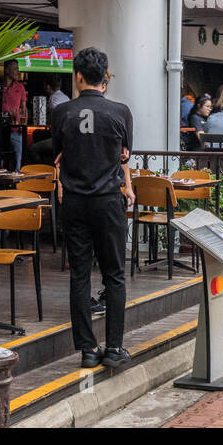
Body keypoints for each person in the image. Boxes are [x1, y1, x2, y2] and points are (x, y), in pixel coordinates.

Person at [51, 47, 135, 371]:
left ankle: (87, 349)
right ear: (105, 77)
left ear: (78, 77)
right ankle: (114, 347)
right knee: (114, 274)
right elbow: (125, 154)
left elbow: (58, 156)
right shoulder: (120, 112)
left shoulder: (62, 113)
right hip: (108, 202)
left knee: (80, 274)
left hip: (74, 201)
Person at [2, 59, 28, 172]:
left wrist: (24, 125)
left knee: (18, 159)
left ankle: (17, 183)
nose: (18, 71)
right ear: (7, 70)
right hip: (0, 129)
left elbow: (24, 108)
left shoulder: (20, 87)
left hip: (16, 129)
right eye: (15, 69)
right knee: (1, 159)